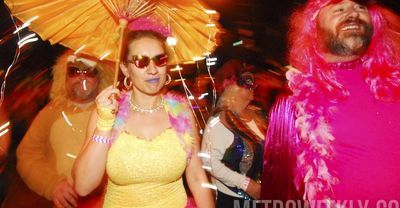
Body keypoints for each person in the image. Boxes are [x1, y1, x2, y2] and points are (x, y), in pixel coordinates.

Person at [261, 0, 400, 206]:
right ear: (313, 26)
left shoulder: (394, 83)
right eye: (338, 8)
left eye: (359, 7)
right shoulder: (294, 102)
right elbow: (279, 190)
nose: (353, 13)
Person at [73, 17, 215, 208]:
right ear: (125, 68)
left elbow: (197, 177)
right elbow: (83, 186)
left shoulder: (181, 111)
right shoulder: (108, 112)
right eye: (141, 61)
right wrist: (105, 123)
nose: (152, 69)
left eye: (160, 60)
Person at [16, 51, 113, 208]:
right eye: (74, 71)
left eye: (89, 72)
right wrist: (53, 184)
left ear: (100, 77)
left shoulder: (114, 113)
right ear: (64, 77)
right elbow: (27, 155)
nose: (82, 77)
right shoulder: (49, 113)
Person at [201, 72, 267, 208]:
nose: (252, 85)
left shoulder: (260, 115)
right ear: (232, 88)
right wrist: (245, 183)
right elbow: (209, 162)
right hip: (234, 199)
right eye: (245, 83)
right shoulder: (219, 121)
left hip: (265, 196)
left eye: (252, 83)